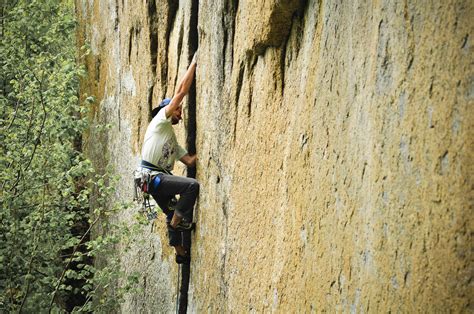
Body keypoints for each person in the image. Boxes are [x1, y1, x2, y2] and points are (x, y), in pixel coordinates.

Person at [139, 54, 199, 261]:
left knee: (173, 212)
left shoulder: (171, 140)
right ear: (169, 109)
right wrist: (193, 63)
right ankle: (175, 224)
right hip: (151, 176)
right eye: (178, 111)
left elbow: (190, 161)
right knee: (192, 187)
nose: (180, 115)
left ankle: (180, 253)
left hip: (148, 181)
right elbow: (181, 91)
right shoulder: (160, 121)